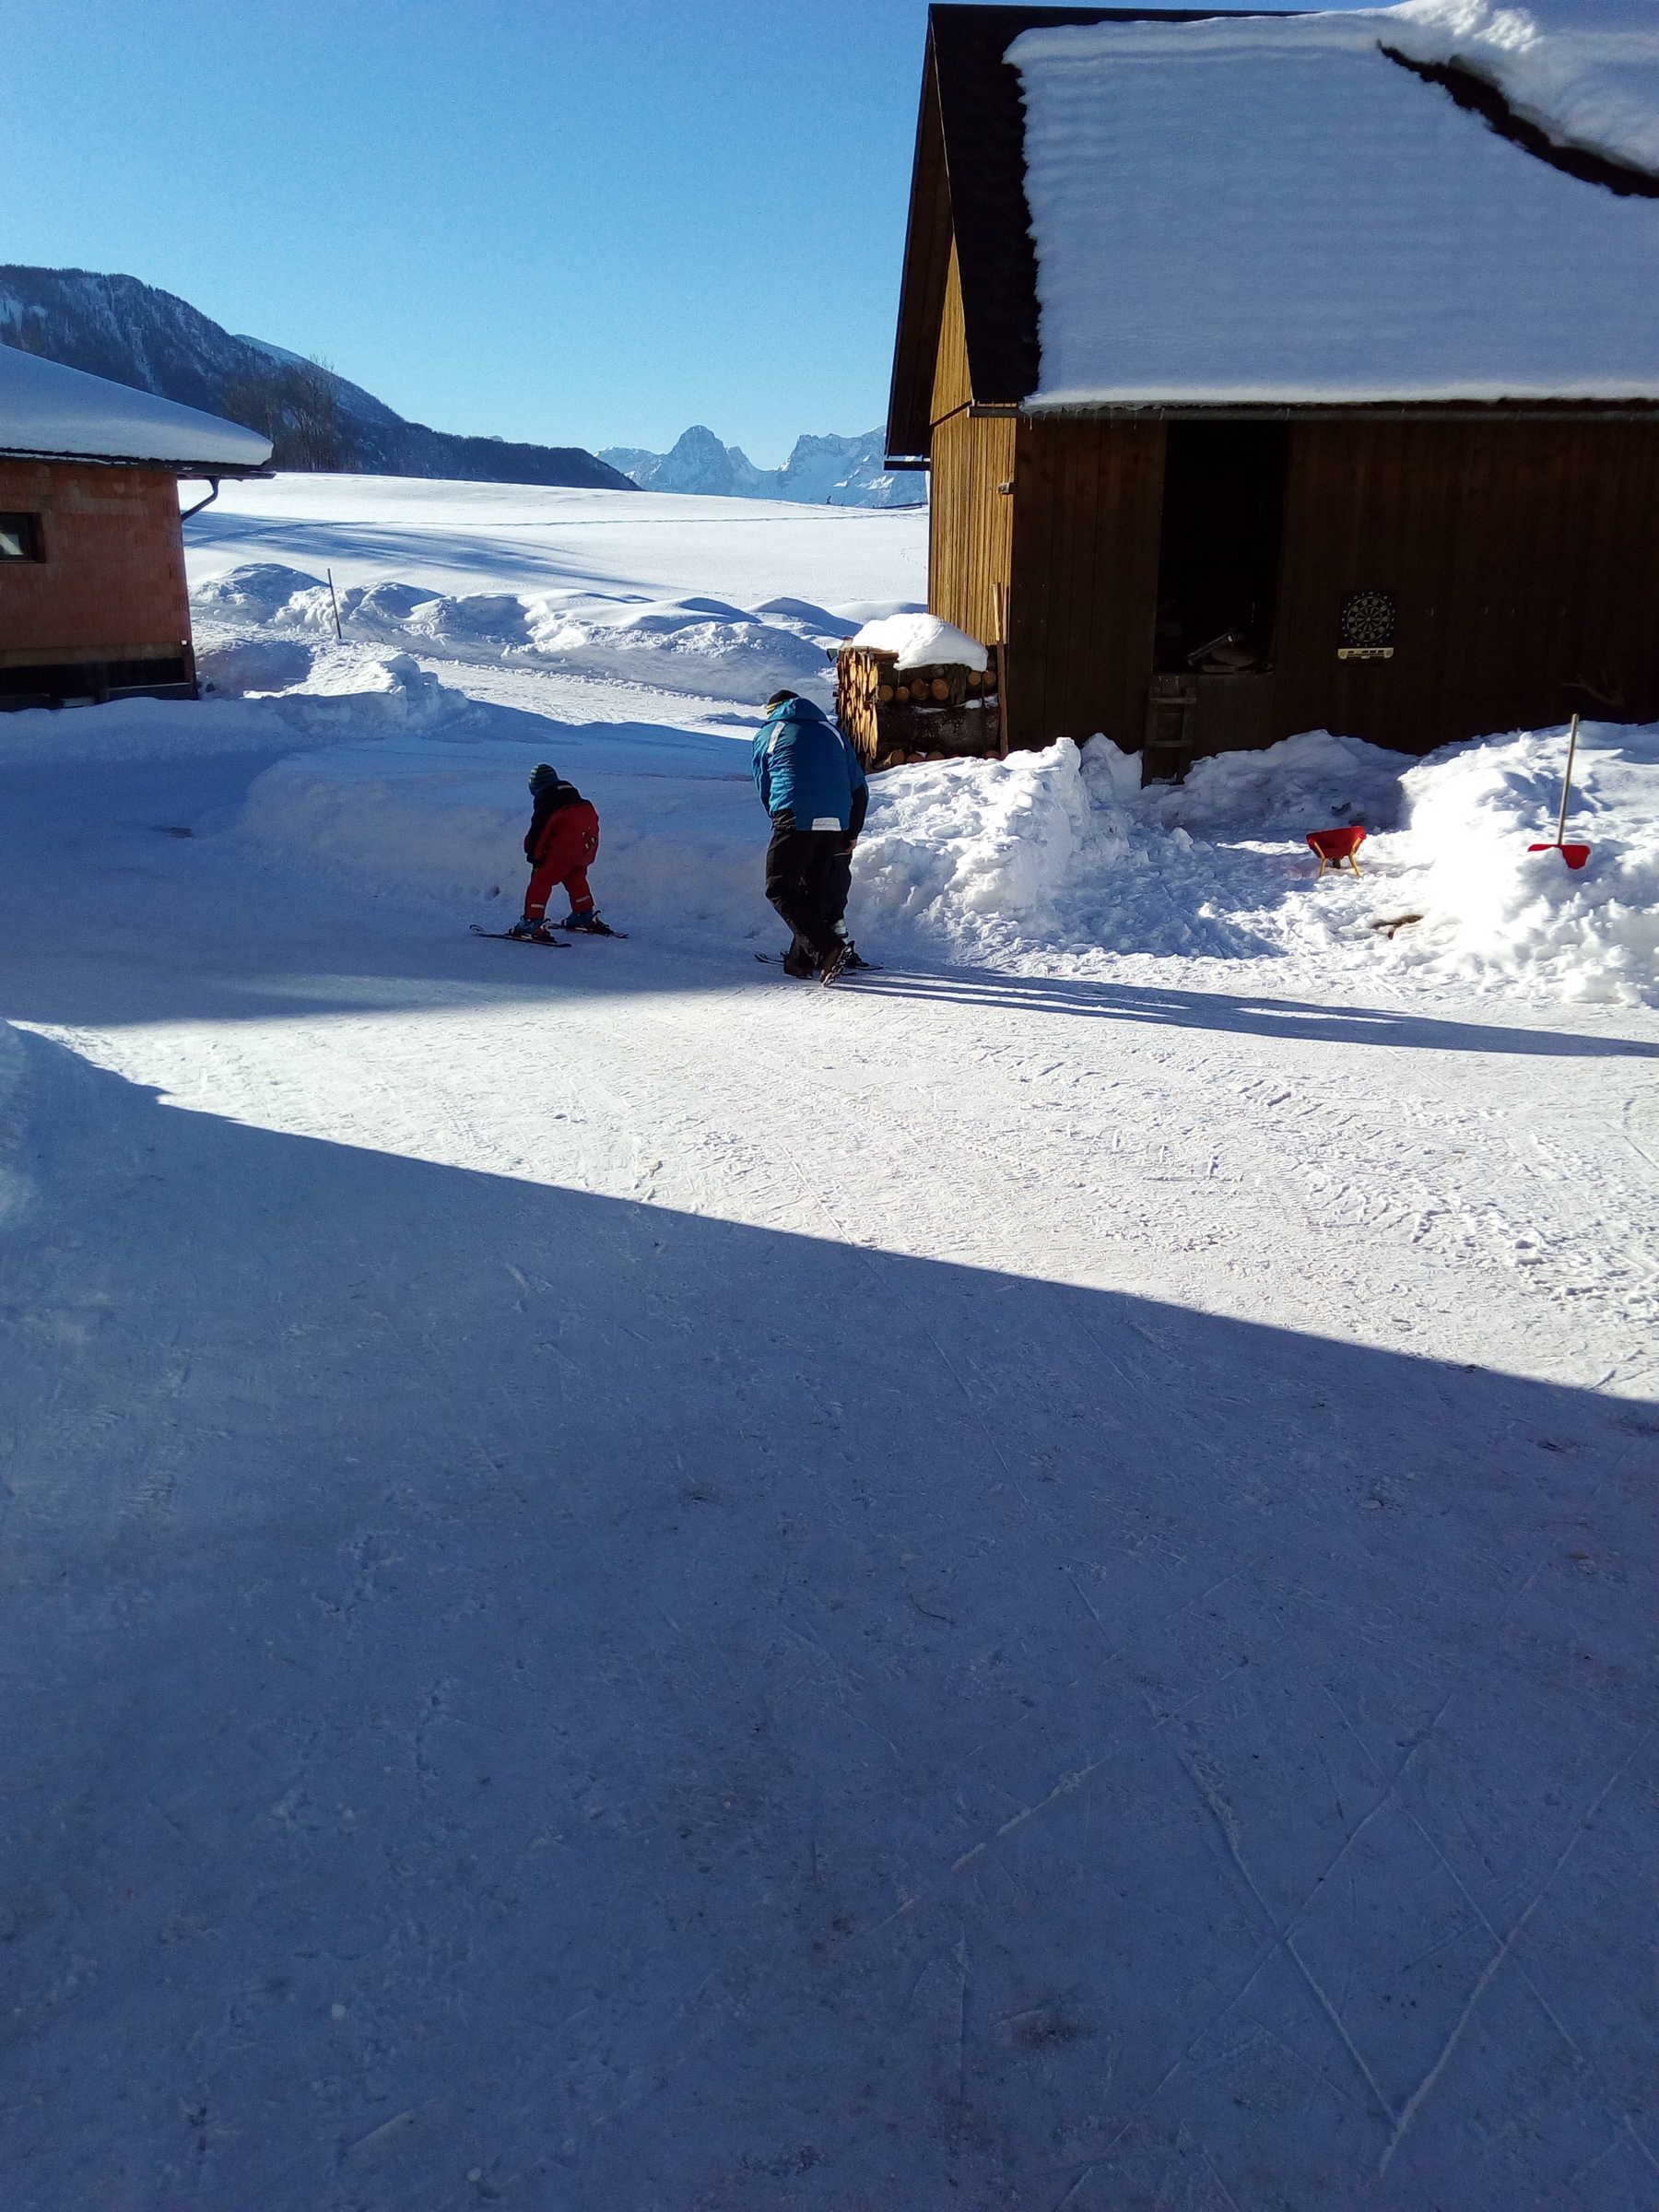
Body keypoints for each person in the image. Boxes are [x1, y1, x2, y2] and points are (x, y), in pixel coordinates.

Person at [751, 690, 869, 980]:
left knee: (780, 888)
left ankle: (828, 949)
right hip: (837, 819)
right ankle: (800, 960)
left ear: (773, 710)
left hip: (795, 815)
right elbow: (859, 786)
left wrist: (779, 817)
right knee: (814, 890)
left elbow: (764, 783)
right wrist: (852, 831)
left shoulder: (771, 732)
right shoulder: (832, 732)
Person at [509, 763, 614, 940]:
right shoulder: (575, 798)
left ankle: (532, 922)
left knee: (540, 882)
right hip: (583, 850)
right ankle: (584, 914)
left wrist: (534, 854)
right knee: (575, 878)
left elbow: (540, 831)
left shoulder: (548, 801)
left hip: (561, 853)